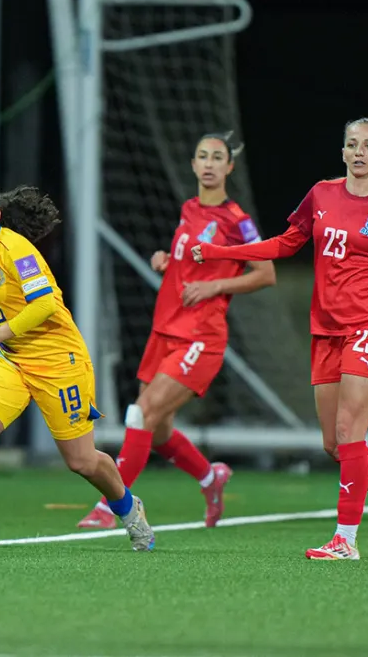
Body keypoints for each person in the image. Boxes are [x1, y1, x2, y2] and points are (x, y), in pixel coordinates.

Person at [191, 118, 368, 561]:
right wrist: (220, 253)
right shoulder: (322, 194)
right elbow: (287, 243)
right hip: (327, 328)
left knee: (350, 431)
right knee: (335, 443)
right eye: (352, 144)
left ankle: (344, 539)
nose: (359, 152)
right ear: (343, 151)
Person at [0, 182, 155, 552]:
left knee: (82, 461)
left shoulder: (16, 248)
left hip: (59, 361)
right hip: (12, 360)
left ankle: (130, 510)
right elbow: (10, 310)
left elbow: (44, 307)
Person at [76, 132, 276, 531]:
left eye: (217, 157)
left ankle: (110, 505)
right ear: (193, 164)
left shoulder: (238, 221)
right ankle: (210, 477)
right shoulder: (188, 209)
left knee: (140, 413)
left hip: (201, 336)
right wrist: (168, 261)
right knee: (159, 426)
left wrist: (216, 286)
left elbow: (266, 273)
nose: (209, 163)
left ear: (228, 167)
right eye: (202, 155)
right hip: (166, 330)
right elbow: (191, 262)